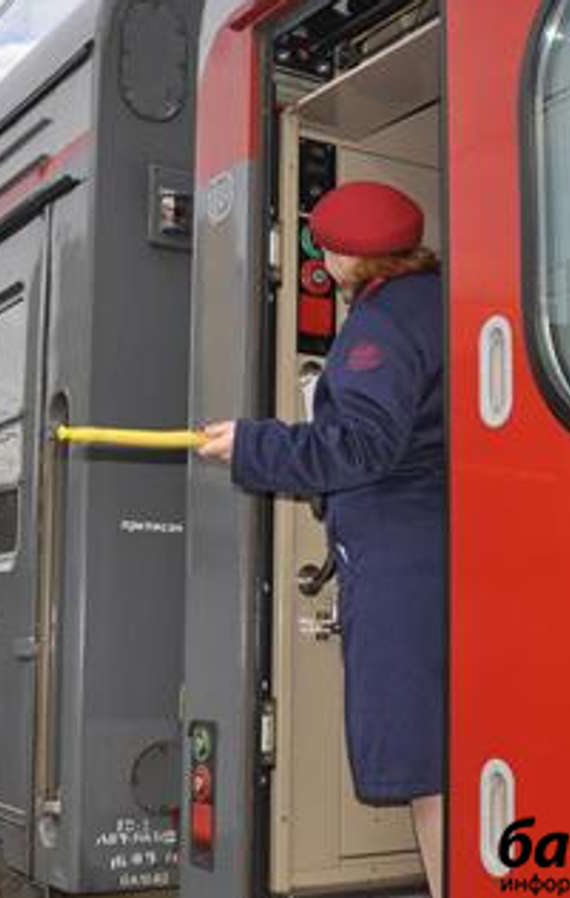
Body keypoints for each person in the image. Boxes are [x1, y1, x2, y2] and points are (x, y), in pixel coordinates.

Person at [199, 181, 446, 897]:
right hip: (443, 554)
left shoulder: (380, 325)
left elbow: (363, 446)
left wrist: (252, 444)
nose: (323, 262)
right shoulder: (442, 300)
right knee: (454, 750)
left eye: (322, 248)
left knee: (426, 763)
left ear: (345, 258)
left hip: (401, 570)